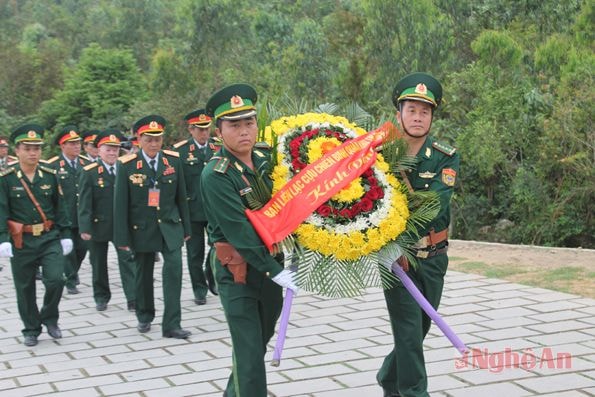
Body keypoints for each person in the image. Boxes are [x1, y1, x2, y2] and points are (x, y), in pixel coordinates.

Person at [201, 84, 298, 397]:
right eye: (234, 125)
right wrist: (275, 270)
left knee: (258, 342)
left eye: (249, 122)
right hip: (238, 272)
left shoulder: (267, 158)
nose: (244, 131)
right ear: (219, 131)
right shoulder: (216, 174)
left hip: (271, 264)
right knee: (248, 350)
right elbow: (239, 231)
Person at [377, 73, 460, 397]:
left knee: (419, 331)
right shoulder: (380, 155)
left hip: (434, 258)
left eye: (424, 111)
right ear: (399, 113)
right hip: (397, 260)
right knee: (409, 334)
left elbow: (437, 206)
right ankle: (413, 392)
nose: (417, 116)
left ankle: (388, 376)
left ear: (432, 117)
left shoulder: (444, 155)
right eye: (411, 109)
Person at [113, 115, 192, 339]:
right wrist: (122, 238)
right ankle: (145, 314)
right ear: (139, 140)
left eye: (158, 140)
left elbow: (181, 196)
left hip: (170, 227)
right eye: (149, 140)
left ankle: (172, 323)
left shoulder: (173, 161)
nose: (154, 144)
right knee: (144, 274)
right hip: (142, 228)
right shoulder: (127, 165)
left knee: (174, 270)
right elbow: (120, 205)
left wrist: (186, 228)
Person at [0, 124, 73, 347]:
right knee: (25, 287)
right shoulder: (7, 178)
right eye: (28, 148)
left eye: (37, 148)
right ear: (17, 150)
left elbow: (60, 206)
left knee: (56, 279)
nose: (33, 153)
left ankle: (50, 318)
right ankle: (31, 328)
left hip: (49, 237)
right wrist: (3, 239)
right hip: (21, 239)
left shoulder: (49, 175)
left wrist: (66, 234)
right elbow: (1, 209)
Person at [78, 129, 137, 312]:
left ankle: (133, 298)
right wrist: (85, 227)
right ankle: (101, 296)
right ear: (99, 150)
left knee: (127, 260)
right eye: (108, 149)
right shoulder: (90, 172)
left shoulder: (125, 168)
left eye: (115, 149)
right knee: (98, 263)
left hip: (122, 225)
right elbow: (85, 203)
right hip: (99, 224)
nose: (112, 153)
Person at [173, 109, 216, 305]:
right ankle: (199, 289)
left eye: (206, 128)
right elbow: (176, 185)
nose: (204, 133)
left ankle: (213, 276)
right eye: (199, 129)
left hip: (215, 209)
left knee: (218, 247)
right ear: (190, 129)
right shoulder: (180, 152)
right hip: (192, 210)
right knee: (194, 253)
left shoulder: (217, 148)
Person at [46, 126, 89, 294]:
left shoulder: (86, 164)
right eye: (71, 144)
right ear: (62, 146)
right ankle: (70, 280)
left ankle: (73, 272)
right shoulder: (53, 166)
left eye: (78, 143)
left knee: (82, 248)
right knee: (68, 250)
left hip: (83, 216)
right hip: (64, 216)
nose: (76, 146)